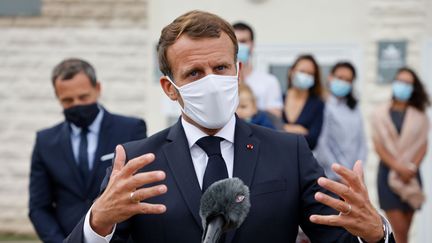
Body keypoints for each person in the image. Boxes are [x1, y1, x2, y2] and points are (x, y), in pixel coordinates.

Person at [65, 11, 394, 243]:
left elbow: (336, 237)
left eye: (221, 67)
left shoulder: (288, 153)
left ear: (237, 70)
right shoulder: (139, 163)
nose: (211, 81)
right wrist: (98, 223)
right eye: (194, 73)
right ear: (169, 88)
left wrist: (375, 234)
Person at [28, 58, 147, 243]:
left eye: (83, 97)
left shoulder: (131, 129)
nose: (76, 104)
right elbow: (38, 207)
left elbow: (140, 189)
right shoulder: (45, 141)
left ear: (97, 88)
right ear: (57, 97)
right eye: (67, 100)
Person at [372, 67, 430, 243]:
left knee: (406, 230)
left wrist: (411, 168)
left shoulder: (420, 116)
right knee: (399, 231)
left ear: (413, 88)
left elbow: (423, 144)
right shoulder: (379, 114)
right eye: (400, 81)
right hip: (388, 174)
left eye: (407, 83)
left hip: (411, 176)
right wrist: (398, 168)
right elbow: (378, 146)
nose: (402, 86)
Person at [314, 62, 367, 181]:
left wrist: (357, 172)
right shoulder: (323, 105)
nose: (343, 82)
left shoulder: (354, 108)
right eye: (340, 78)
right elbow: (322, 144)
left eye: (348, 80)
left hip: (354, 176)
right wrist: (340, 174)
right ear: (330, 77)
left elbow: (361, 143)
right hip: (331, 176)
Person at [233, 22, 283, 118]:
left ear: (252, 45)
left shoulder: (269, 81)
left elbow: (275, 117)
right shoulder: (222, 80)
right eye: (235, 42)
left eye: (243, 41)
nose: (239, 46)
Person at [282, 54, 325, 150]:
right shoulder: (279, 98)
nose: (305, 76)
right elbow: (269, 130)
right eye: (302, 71)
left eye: (310, 74)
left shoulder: (317, 104)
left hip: (302, 159)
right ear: (291, 72)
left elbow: (312, 141)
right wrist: (298, 131)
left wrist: (284, 129)